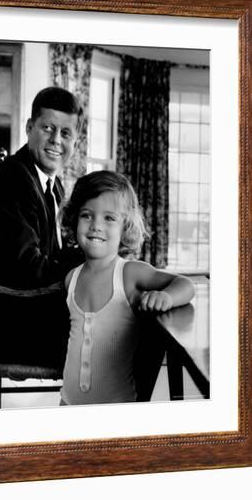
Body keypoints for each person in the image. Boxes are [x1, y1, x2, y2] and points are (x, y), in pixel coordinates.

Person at [59, 170, 195, 405]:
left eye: (109, 218)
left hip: (118, 408)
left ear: (126, 226)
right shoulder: (71, 279)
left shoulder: (129, 273)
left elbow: (186, 284)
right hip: (67, 402)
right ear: (74, 219)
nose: (96, 226)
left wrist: (167, 297)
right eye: (86, 215)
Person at [0, 87, 83, 367]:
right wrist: (87, 270)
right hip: (17, 325)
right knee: (128, 332)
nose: (56, 140)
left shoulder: (51, 183)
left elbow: (52, 256)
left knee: (127, 311)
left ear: (75, 141)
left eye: (66, 133)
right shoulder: (13, 181)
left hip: (36, 310)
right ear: (29, 127)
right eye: (47, 128)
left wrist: (98, 260)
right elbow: (27, 269)